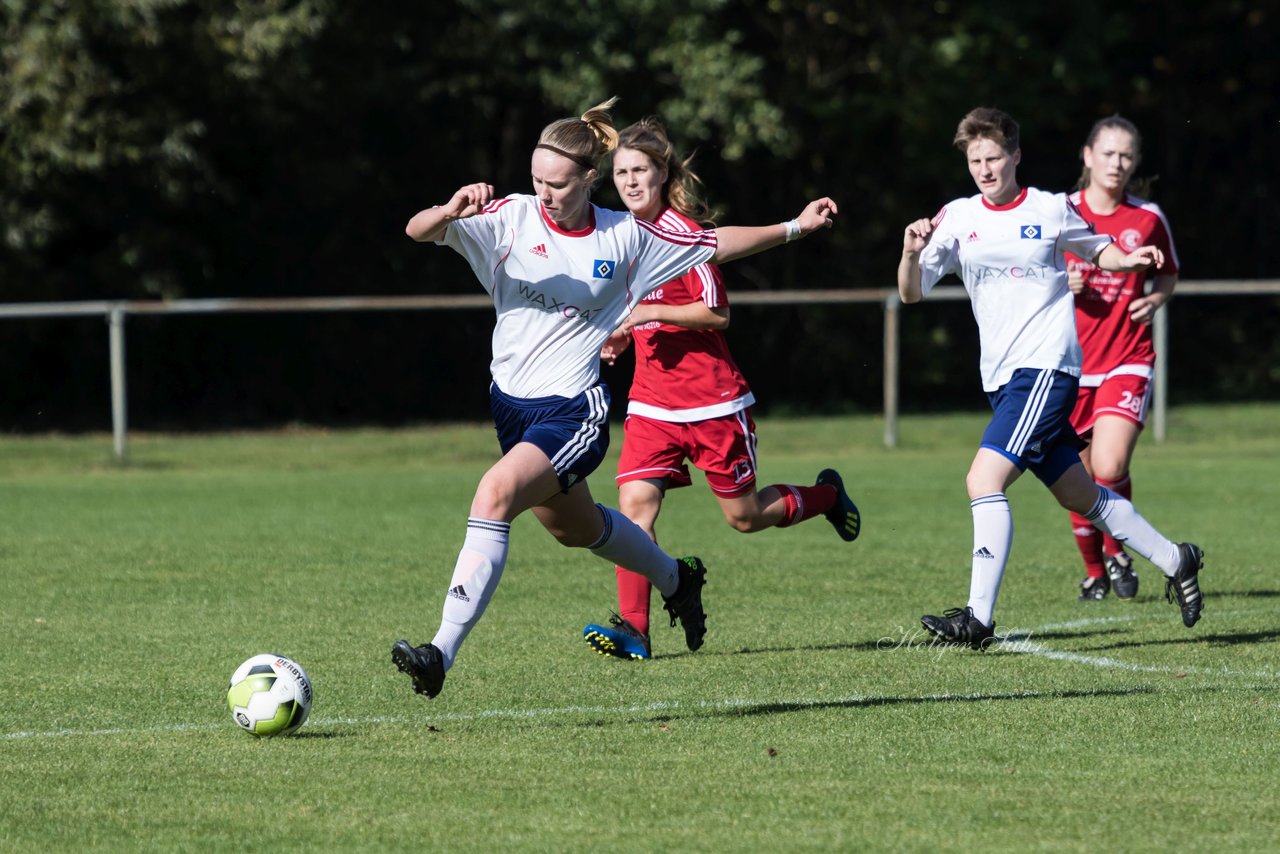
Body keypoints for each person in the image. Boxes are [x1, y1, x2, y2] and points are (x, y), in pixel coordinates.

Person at [392, 98, 840, 697]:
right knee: (575, 530)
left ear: (588, 180)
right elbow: (418, 231)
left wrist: (794, 228)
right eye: (536, 181)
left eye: (557, 184)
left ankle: (439, 653)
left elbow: (716, 243)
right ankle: (677, 578)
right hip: (510, 404)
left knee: (494, 493)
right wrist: (448, 209)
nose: (545, 194)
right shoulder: (508, 217)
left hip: (573, 410)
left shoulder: (627, 238)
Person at [896, 107, 1203, 649]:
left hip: (1046, 368)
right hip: (1002, 379)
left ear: (1015, 155)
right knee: (1083, 495)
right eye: (975, 161)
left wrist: (1130, 262)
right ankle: (1176, 558)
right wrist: (910, 252)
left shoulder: (1050, 208)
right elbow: (910, 292)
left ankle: (978, 618)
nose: (985, 169)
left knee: (982, 481)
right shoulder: (958, 217)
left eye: (994, 158)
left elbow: (1098, 248)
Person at [580, 118, 861, 661]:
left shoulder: (684, 235)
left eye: (641, 170)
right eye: (621, 173)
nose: (631, 182)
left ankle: (826, 496)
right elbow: (624, 308)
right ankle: (635, 631)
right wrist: (620, 334)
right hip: (651, 404)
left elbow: (717, 312)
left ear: (663, 174)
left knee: (745, 517)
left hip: (714, 404)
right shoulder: (619, 237)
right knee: (633, 507)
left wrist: (648, 311)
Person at [1063, 116, 1179, 602]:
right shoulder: (1060, 213)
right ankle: (1095, 570)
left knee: (1109, 467)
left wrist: (1154, 301)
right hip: (1067, 365)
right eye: (1108, 153)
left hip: (1126, 359)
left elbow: (1168, 274)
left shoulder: (1146, 217)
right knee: (1077, 477)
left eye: (1126, 155)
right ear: (1088, 156)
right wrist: (1061, 284)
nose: (1117, 163)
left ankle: (1116, 548)